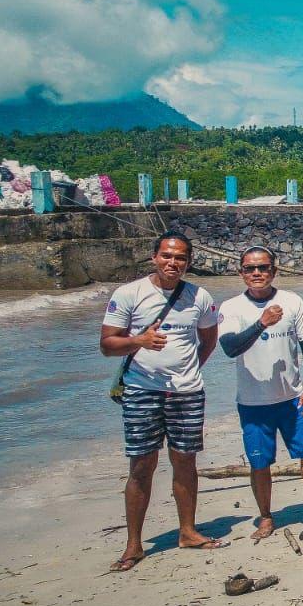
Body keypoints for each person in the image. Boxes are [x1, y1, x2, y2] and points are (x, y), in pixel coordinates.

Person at [99, 231, 224, 570]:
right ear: (154, 256)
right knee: (141, 466)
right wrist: (139, 340)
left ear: (189, 261)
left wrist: (188, 371)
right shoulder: (129, 294)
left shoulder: (199, 296)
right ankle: (134, 545)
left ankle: (188, 531)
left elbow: (208, 340)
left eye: (181, 257)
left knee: (186, 462)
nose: (173, 263)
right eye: (167, 256)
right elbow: (107, 344)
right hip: (141, 391)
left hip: (187, 393)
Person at [217, 246, 303, 540]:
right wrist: (261, 323)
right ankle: (265, 517)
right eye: (250, 269)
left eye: (263, 268)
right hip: (253, 402)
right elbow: (230, 348)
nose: (257, 273)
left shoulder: (292, 301)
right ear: (241, 273)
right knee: (260, 462)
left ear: (274, 271)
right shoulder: (231, 308)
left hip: (293, 399)